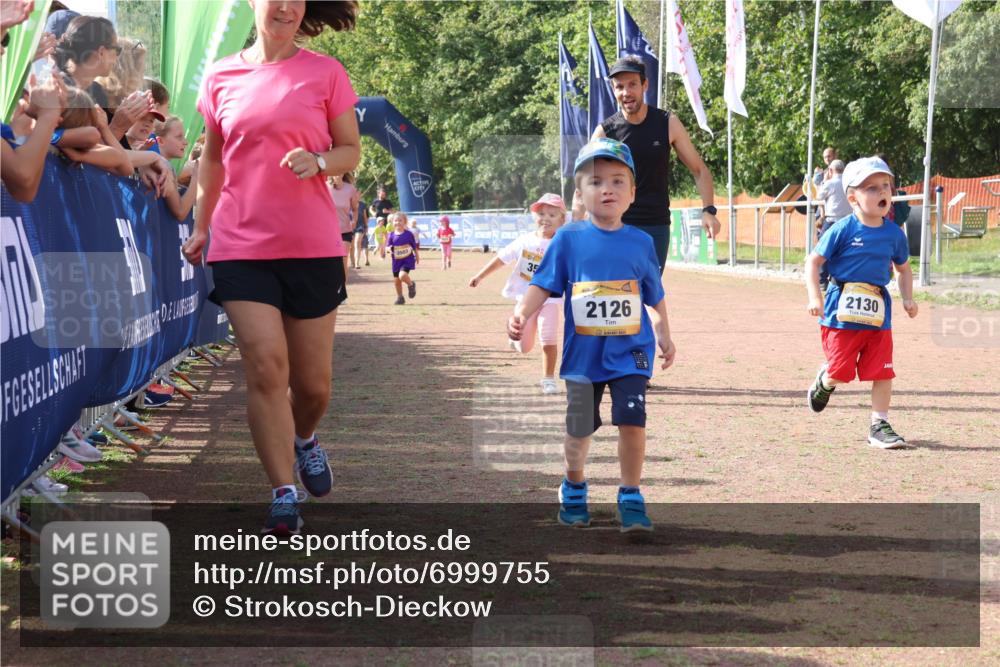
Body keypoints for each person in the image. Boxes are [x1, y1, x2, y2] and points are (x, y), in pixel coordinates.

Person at [183, 0, 361, 536]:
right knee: (265, 367)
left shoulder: (326, 72)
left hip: (311, 245)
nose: (286, 7)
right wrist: (201, 225)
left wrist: (320, 161)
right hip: (240, 244)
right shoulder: (221, 76)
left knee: (313, 386)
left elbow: (350, 150)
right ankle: (283, 492)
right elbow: (214, 158)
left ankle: (304, 438)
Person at [509, 139, 676, 532]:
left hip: (631, 352)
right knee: (579, 426)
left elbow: (654, 295)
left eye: (618, 181)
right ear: (580, 194)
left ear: (632, 193)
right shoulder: (568, 238)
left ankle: (630, 496)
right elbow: (542, 284)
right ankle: (574, 486)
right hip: (583, 355)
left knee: (633, 420)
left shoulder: (641, 242)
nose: (607, 189)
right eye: (596, 181)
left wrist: (664, 332)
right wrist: (521, 313)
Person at [805, 156, 918, 449]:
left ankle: (879, 424)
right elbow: (813, 262)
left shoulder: (894, 234)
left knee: (882, 370)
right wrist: (815, 296)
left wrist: (907, 297)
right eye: (872, 188)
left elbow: (903, 269)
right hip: (841, 313)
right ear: (853, 198)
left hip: (879, 315)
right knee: (840, 372)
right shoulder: (842, 229)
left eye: (885, 186)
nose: (882, 192)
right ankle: (825, 381)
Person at [593, 55, 720, 274]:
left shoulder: (667, 123)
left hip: (656, 226)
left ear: (645, 85)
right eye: (619, 87)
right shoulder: (605, 132)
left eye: (632, 84)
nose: (626, 92)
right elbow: (587, 180)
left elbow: (700, 170)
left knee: (649, 289)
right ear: (613, 90)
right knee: (619, 287)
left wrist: (709, 210)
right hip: (617, 224)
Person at [470, 193, 567, 395]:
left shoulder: (563, 244)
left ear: (562, 220)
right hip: (526, 300)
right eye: (541, 214)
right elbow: (501, 258)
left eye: (552, 215)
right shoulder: (525, 241)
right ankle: (514, 336)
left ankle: (548, 379)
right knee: (524, 347)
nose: (546, 218)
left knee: (548, 336)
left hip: (551, 299)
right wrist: (479, 276)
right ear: (534, 216)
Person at [153, 115, 200, 221]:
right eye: (179, 137)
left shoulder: (167, 165)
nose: (185, 142)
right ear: (160, 141)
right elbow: (180, 212)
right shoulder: (163, 166)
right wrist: (197, 177)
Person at [328, 172, 359, 275]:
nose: (337, 173)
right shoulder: (325, 187)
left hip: (345, 230)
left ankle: (343, 284)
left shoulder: (350, 189)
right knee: (331, 261)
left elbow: (355, 209)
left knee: (343, 259)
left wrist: (354, 220)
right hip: (329, 231)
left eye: (340, 170)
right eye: (335, 170)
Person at [386, 211, 418, 305]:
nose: (398, 222)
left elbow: (414, 246)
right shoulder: (391, 235)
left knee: (402, 275)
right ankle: (400, 298)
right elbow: (387, 247)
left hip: (407, 260)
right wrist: (388, 249)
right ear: (392, 222)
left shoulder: (409, 234)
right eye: (396, 220)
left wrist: (417, 256)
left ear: (404, 222)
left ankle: (411, 285)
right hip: (396, 261)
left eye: (400, 220)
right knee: (397, 281)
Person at [353, 195, 370, 267]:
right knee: (352, 246)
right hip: (350, 226)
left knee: (357, 242)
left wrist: (366, 226)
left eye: (358, 195)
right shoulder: (348, 203)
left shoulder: (363, 205)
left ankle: (357, 263)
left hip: (360, 226)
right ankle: (353, 262)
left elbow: (365, 216)